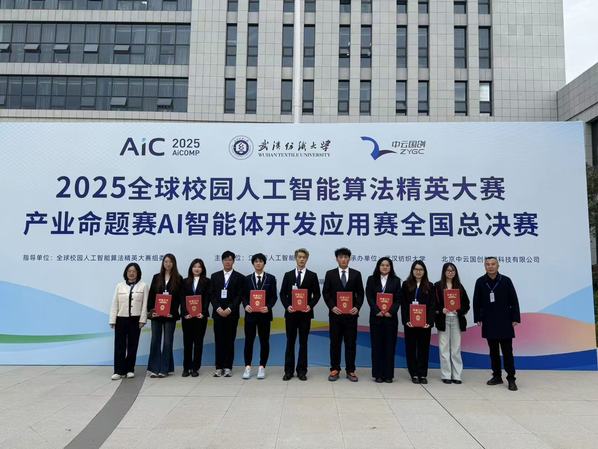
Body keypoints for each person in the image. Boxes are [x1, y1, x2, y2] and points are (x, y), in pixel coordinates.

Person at [473, 257, 521, 391]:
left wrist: (515, 317)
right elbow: (476, 301)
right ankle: (497, 376)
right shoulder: (480, 281)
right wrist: (478, 317)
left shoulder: (506, 280)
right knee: (493, 352)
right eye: (487, 264)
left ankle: (511, 378)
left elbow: (514, 300)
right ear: (485, 266)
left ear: (498, 265)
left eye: (493, 264)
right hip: (489, 321)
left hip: (505, 321)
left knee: (507, 352)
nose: (490, 266)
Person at [322, 247, 364, 382]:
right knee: (335, 343)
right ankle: (334, 369)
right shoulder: (330, 274)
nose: (343, 259)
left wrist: (357, 307)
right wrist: (332, 307)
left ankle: (351, 370)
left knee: (351, 343)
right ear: (337, 259)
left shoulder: (356, 274)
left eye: (346, 257)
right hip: (335, 315)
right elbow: (326, 293)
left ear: (349, 259)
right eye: (341, 257)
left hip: (351, 316)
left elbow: (361, 293)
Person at [279, 248, 321, 381]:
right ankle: (288, 371)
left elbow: (317, 294)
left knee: (303, 343)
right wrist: (287, 306)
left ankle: (302, 371)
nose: (301, 259)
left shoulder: (312, 275)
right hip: (291, 314)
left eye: (304, 257)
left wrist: (310, 306)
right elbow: (282, 294)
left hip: (305, 315)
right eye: (299, 257)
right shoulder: (288, 275)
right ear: (295, 258)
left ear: (307, 259)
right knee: (290, 342)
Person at [109, 262, 149, 380]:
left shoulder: (143, 286)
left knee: (132, 345)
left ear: (138, 273)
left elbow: (145, 304)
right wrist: (112, 320)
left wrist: (142, 319)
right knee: (119, 345)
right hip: (121, 318)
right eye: (129, 271)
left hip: (135, 319)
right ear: (126, 273)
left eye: (134, 271)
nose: (131, 273)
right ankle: (118, 370)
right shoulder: (119, 286)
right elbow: (114, 303)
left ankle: (130, 369)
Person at [241, 253, 278, 380]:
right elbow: (243, 296)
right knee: (249, 341)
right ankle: (247, 366)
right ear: (253, 263)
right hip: (250, 315)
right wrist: (246, 305)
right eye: (256, 261)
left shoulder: (271, 278)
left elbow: (274, 296)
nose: (258, 263)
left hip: (264, 315)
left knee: (264, 341)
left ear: (264, 263)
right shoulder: (247, 279)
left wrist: (268, 307)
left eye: (261, 261)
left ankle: (262, 366)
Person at [365, 257, 401, 383]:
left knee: (390, 347)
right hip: (376, 318)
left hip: (391, 319)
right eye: (382, 265)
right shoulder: (371, 279)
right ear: (378, 266)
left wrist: (391, 311)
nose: (385, 267)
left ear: (391, 267)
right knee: (377, 347)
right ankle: (378, 374)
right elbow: (369, 296)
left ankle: (388, 375)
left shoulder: (396, 280)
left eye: (387, 265)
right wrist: (377, 310)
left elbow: (398, 299)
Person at [210, 250, 245, 377]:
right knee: (219, 340)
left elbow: (239, 296)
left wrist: (229, 309)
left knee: (230, 341)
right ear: (222, 261)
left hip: (232, 314)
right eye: (225, 259)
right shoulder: (215, 276)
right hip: (218, 313)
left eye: (230, 259)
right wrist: (218, 308)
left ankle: (228, 367)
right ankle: (218, 367)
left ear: (233, 261)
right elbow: (212, 295)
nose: (227, 262)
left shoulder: (240, 277)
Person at [147, 253, 183, 378]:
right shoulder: (156, 277)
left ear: (174, 264)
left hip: (170, 316)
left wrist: (172, 312)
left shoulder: (178, 278)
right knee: (155, 340)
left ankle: (164, 369)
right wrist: (152, 310)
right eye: (166, 261)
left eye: (170, 262)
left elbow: (179, 299)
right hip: (157, 315)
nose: (168, 264)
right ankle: (154, 369)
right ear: (163, 263)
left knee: (168, 342)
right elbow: (151, 296)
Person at [434, 263, 470, 384]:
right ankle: (446, 375)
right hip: (443, 320)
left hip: (456, 320)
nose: (450, 273)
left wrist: (458, 310)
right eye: (448, 270)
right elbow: (433, 303)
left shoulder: (459, 286)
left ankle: (457, 375)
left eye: (453, 271)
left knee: (456, 348)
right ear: (444, 272)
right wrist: (441, 310)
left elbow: (466, 304)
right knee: (444, 348)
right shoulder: (437, 286)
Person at [400, 260, 435, 384]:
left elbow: (432, 305)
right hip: (410, 323)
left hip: (424, 324)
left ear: (424, 271)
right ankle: (413, 373)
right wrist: (406, 320)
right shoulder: (406, 284)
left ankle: (423, 374)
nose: (418, 272)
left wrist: (429, 322)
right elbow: (403, 304)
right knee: (410, 348)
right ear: (412, 271)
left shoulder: (430, 286)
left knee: (423, 349)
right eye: (416, 269)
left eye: (421, 269)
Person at [180, 258, 211, 377]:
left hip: (200, 317)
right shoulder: (184, 281)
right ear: (191, 268)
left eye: (199, 267)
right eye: (195, 266)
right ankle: (186, 367)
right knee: (187, 343)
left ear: (202, 269)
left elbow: (207, 298)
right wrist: (185, 313)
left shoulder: (207, 281)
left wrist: (203, 312)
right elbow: (182, 299)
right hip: (187, 317)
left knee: (198, 343)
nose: (197, 269)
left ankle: (195, 368)